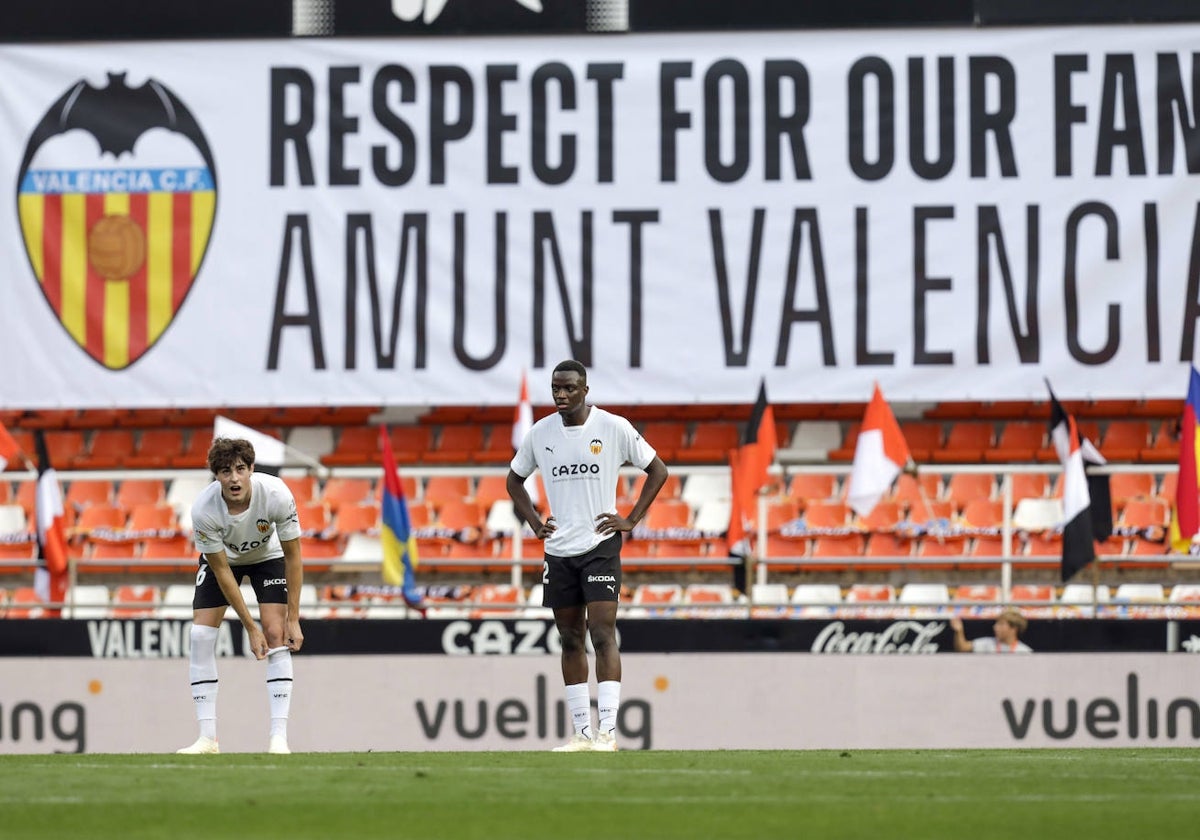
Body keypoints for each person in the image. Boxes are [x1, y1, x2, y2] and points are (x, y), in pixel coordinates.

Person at [507, 360, 669, 752]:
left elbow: (658, 470)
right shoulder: (540, 433)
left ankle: (608, 733)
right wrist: (533, 522)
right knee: (569, 639)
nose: (560, 395)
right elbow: (514, 480)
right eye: (555, 388)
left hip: (600, 545)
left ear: (585, 389)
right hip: (558, 549)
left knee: (602, 632)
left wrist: (630, 519)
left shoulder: (613, 427)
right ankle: (581, 734)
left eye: (568, 388)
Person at [176, 437, 305, 755]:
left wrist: (294, 617)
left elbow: (293, 556)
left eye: (240, 469)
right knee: (201, 635)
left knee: (276, 633)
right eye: (224, 471)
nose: (233, 478)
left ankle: (278, 737)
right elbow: (221, 571)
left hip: (267, 557)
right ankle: (208, 738)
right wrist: (249, 626)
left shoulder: (276, 494)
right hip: (225, 563)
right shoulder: (204, 510)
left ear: (250, 470)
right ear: (216, 476)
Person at [948, 608, 1032, 653]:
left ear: (1013, 629)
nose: (995, 627)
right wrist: (959, 631)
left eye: (1001, 624)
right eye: (996, 624)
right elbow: (962, 648)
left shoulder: (1024, 651)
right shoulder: (987, 643)